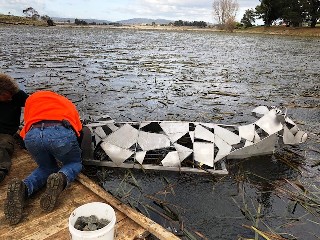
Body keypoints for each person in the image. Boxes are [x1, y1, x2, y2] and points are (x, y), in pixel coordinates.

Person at [4, 90, 83, 225]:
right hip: (60, 133)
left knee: (46, 167)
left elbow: (27, 125)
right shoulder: (67, 103)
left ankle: (24, 188)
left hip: (32, 135)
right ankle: (62, 177)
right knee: (74, 163)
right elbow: (79, 131)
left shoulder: (31, 100)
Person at [0, 73, 28, 183]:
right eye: (7, 95)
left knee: (3, 146)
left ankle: (1, 171)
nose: (11, 98)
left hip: (6, 133)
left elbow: (33, 105)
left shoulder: (18, 95)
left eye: (12, 94)